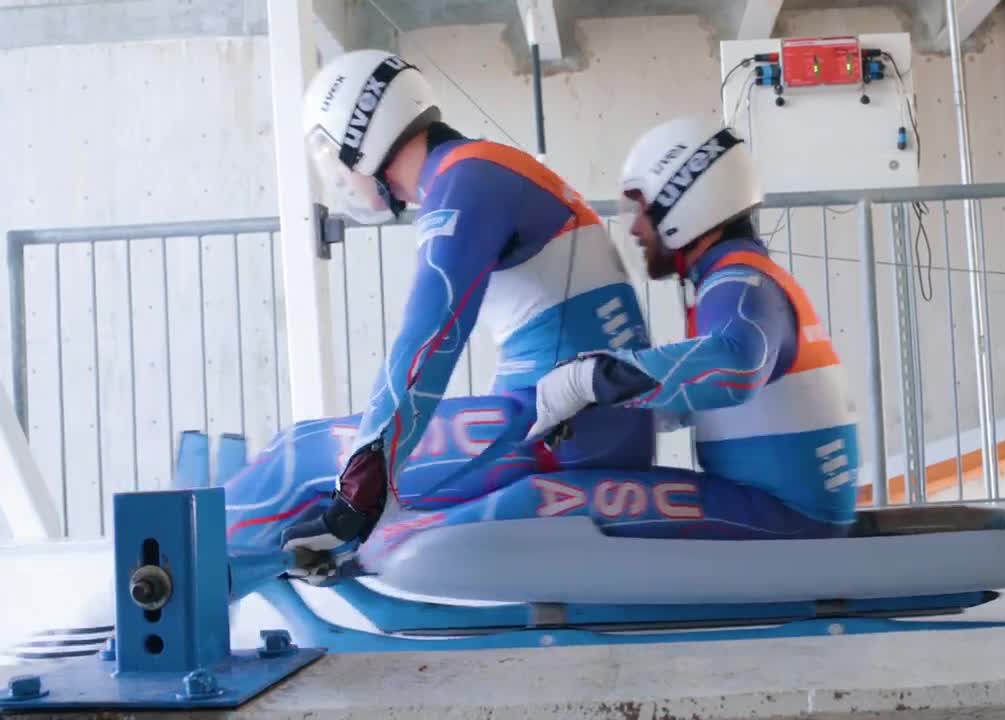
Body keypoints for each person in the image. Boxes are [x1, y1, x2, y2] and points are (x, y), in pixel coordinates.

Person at [270, 49, 654, 582]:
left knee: (300, 456)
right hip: (579, 425)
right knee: (359, 461)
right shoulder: (479, 168)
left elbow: (426, 344)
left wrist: (356, 497)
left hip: (569, 436)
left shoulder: (466, 182)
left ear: (361, 135)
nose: (335, 173)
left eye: (330, 151)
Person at [522, 114, 862, 537]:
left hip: (786, 516)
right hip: (786, 507)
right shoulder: (738, 278)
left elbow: (734, 365)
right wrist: (605, 407)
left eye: (641, 206)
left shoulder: (739, 282)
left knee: (550, 499)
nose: (634, 227)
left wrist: (586, 379)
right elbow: (701, 393)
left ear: (685, 200)